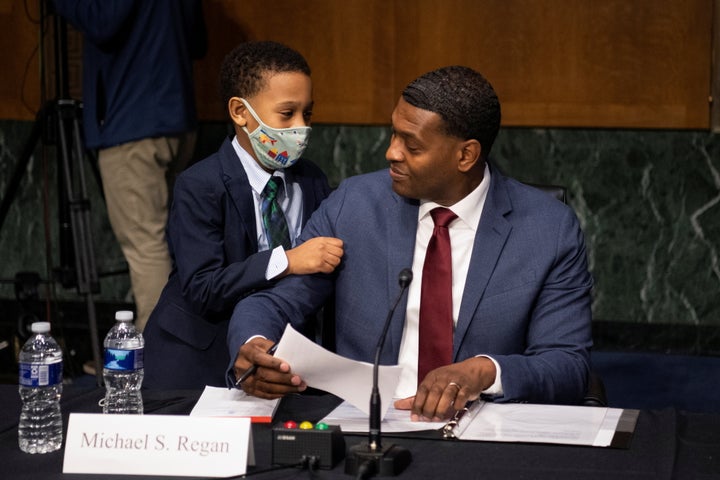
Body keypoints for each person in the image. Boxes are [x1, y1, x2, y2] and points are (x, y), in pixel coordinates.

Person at [227, 65, 594, 421]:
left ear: (465, 155)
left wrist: (484, 371)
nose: (392, 152)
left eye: (412, 146)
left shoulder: (548, 229)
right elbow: (275, 301)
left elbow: (566, 364)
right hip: (365, 422)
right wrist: (254, 343)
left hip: (480, 427)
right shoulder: (354, 205)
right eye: (393, 134)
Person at [141, 41, 343, 389]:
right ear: (240, 112)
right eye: (286, 113)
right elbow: (203, 288)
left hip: (279, 353)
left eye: (307, 114)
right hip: (196, 359)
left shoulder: (311, 179)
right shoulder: (199, 184)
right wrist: (287, 261)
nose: (301, 128)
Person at [50, 1, 207, 333]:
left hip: (132, 123)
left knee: (145, 245)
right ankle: (182, 349)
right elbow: (197, 41)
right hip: (177, 117)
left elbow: (103, 21)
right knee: (173, 240)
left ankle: (156, 354)